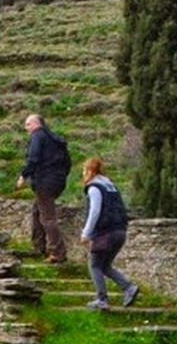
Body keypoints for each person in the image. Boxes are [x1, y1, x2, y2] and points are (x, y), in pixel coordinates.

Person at [79, 157, 138, 310]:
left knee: (94, 265)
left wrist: (86, 233)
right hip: (120, 231)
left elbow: (95, 211)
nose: (83, 174)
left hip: (105, 233)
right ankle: (129, 287)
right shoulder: (111, 186)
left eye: (84, 171)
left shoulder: (94, 188)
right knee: (104, 265)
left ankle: (102, 299)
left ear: (90, 171)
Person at [15, 113, 71, 263]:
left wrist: (23, 176)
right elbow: (67, 163)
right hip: (58, 181)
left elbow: (33, 158)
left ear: (35, 124)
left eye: (27, 124)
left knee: (48, 217)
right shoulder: (55, 139)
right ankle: (38, 246)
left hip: (44, 181)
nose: (26, 128)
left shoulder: (37, 136)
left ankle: (58, 253)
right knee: (36, 211)